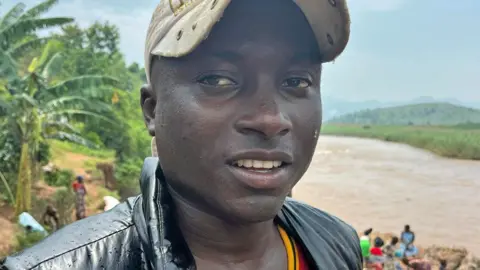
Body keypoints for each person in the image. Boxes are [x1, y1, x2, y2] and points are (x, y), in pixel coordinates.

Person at [1, 0, 362, 269]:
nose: (270, 120)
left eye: (296, 81)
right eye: (218, 80)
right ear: (152, 109)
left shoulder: (334, 243)